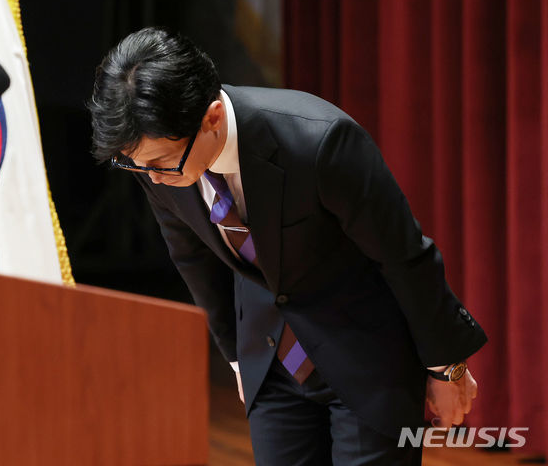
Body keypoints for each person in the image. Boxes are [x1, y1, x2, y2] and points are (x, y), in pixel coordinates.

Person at [88, 26, 487, 465]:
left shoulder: (319, 141)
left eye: (161, 164)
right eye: (137, 166)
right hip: (270, 361)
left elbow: (404, 254)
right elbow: (193, 258)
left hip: (366, 358)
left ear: (212, 117)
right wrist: (237, 360)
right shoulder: (155, 164)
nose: (153, 177)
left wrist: (447, 366)